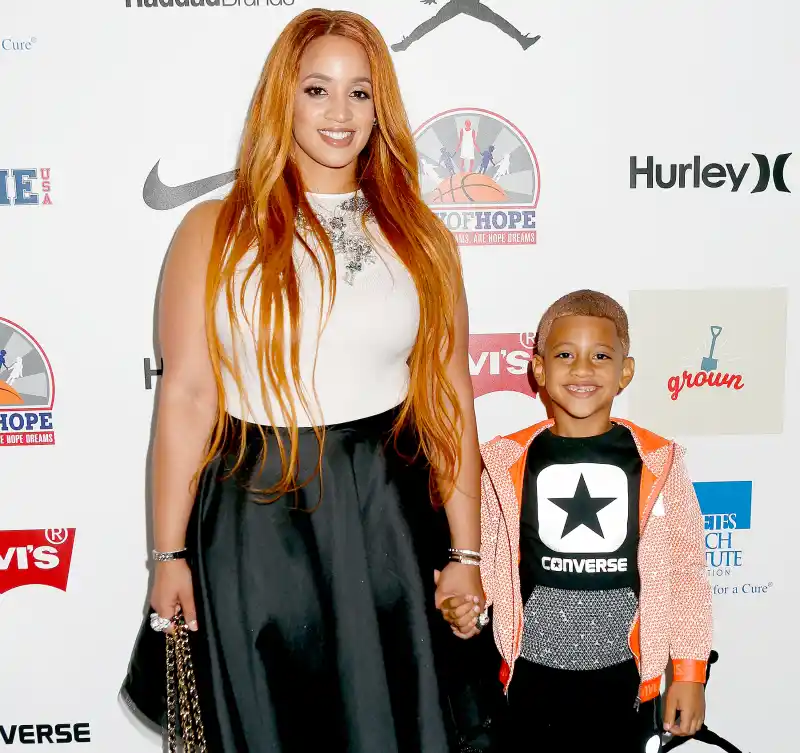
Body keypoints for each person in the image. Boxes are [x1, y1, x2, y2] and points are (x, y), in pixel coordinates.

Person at [122, 9, 487, 753]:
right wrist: (168, 556)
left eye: (360, 92)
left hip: (384, 515)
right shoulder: (211, 229)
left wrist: (466, 556)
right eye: (317, 89)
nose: (340, 113)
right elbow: (188, 397)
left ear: (380, 105)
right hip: (251, 522)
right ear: (281, 99)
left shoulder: (423, 236)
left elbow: (449, 401)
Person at [470, 290, 713, 751]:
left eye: (601, 355)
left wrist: (688, 671)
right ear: (538, 369)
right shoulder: (506, 461)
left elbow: (686, 572)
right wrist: (468, 605)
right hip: (529, 679)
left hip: (625, 682)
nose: (583, 369)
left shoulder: (658, 460)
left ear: (626, 371)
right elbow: (488, 559)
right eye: (565, 354)